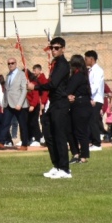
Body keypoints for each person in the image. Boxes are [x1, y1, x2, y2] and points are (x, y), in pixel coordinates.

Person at [31, 37, 71, 179]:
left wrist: (35, 86)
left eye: (56, 48)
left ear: (63, 49)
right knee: (48, 133)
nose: (53, 50)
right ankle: (57, 165)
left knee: (59, 135)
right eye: (52, 48)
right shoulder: (55, 63)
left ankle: (65, 169)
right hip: (53, 103)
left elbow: (53, 85)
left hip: (60, 103)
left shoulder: (63, 65)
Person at [67, 54, 92, 166]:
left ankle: (83, 155)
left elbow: (69, 89)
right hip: (80, 104)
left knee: (81, 131)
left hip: (80, 105)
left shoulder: (77, 76)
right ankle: (76, 153)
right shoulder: (82, 75)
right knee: (71, 130)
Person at [4, 58, 29, 150]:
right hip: (9, 104)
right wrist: (4, 103)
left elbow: (24, 90)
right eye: (9, 63)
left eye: (12, 63)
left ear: (16, 63)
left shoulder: (21, 74)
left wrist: (19, 103)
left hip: (20, 105)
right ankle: (1, 141)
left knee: (22, 125)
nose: (10, 65)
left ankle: (24, 144)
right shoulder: (8, 75)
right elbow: (7, 91)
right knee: (5, 123)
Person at [84, 50, 105, 149]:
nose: (85, 60)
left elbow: (95, 86)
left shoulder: (97, 70)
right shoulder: (91, 70)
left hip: (96, 99)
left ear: (91, 59)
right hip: (92, 99)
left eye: (86, 59)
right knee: (90, 121)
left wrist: (90, 97)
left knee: (93, 121)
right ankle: (93, 141)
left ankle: (97, 143)